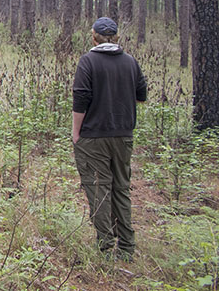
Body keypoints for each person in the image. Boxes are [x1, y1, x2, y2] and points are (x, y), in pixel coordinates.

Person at [72, 16, 147, 260]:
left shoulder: (88, 62)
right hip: (123, 136)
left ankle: (105, 247)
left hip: (94, 137)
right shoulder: (130, 62)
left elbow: (80, 100)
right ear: (115, 37)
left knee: (99, 189)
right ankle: (126, 247)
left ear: (93, 35)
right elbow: (141, 96)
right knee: (121, 189)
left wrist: (76, 133)